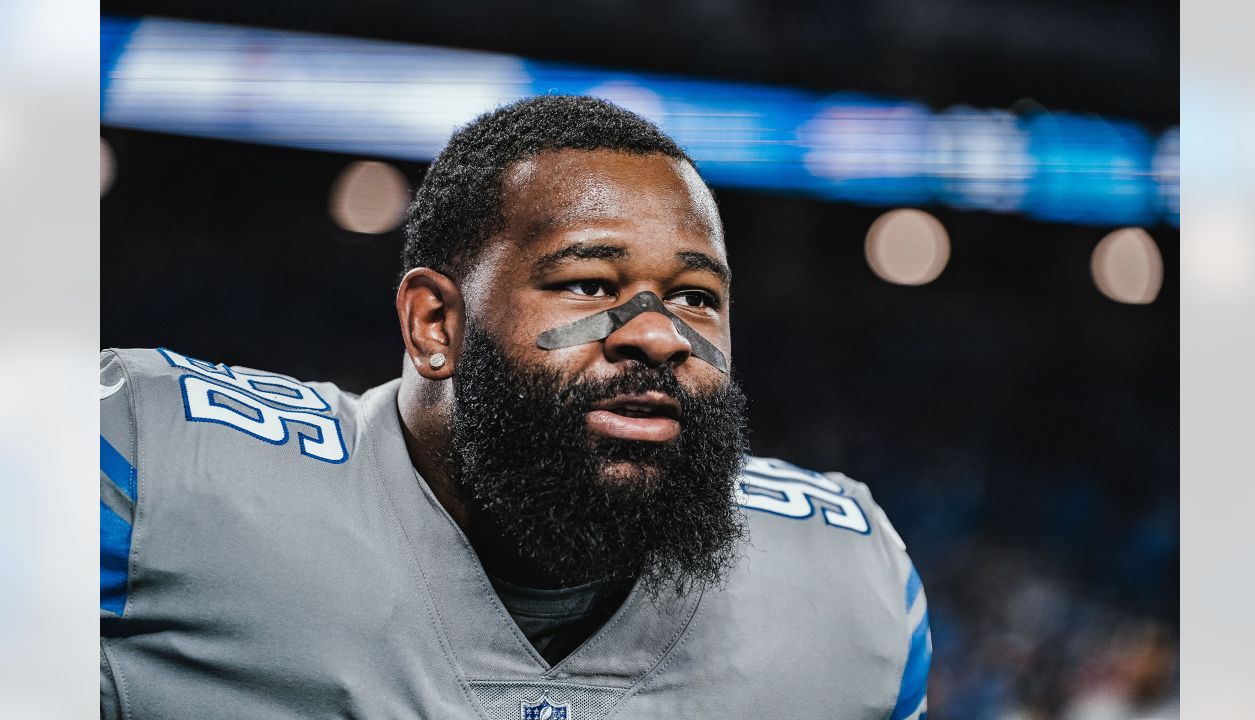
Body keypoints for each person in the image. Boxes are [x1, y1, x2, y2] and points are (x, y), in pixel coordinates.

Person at [99, 95, 931, 719]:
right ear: (436, 324)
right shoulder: (150, 468)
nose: (658, 334)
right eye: (588, 284)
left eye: (696, 298)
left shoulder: (854, 593)